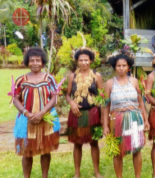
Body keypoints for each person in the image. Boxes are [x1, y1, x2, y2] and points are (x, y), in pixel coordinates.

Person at [12, 47, 60, 178]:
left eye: (38, 60)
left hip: (46, 119)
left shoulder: (49, 79)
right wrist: (26, 113)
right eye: (32, 60)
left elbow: (54, 98)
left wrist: (42, 112)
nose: (35, 63)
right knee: (27, 151)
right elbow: (15, 99)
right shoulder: (21, 80)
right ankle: (26, 176)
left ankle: (45, 175)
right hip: (27, 120)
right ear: (27, 62)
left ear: (43, 62)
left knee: (46, 150)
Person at [103, 53, 149, 178]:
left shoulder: (134, 82)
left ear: (128, 67)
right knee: (117, 151)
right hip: (116, 120)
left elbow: (141, 102)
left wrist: (145, 120)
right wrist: (105, 125)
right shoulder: (109, 84)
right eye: (118, 66)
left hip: (134, 118)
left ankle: (137, 176)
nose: (121, 68)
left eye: (124, 65)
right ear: (114, 67)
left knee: (136, 149)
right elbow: (106, 106)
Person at [65, 48, 103, 178]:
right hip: (77, 114)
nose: (83, 62)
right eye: (81, 60)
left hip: (93, 113)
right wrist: (72, 103)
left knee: (94, 143)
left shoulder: (97, 76)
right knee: (77, 143)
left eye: (86, 60)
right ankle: (77, 173)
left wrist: (100, 111)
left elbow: (101, 96)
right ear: (77, 61)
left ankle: (97, 172)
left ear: (91, 61)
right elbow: (68, 95)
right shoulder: (72, 76)